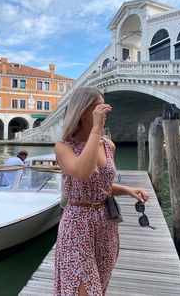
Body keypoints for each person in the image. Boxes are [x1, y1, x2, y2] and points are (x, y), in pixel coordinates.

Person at [54, 87, 149, 295]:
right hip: (77, 226)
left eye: (104, 106)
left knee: (101, 287)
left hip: (106, 224)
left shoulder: (108, 146)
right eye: (98, 107)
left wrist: (128, 189)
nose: (104, 111)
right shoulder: (63, 147)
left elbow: (100, 187)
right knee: (85, 290)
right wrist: (96, 130)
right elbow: (82, 173)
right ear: (81, 111)